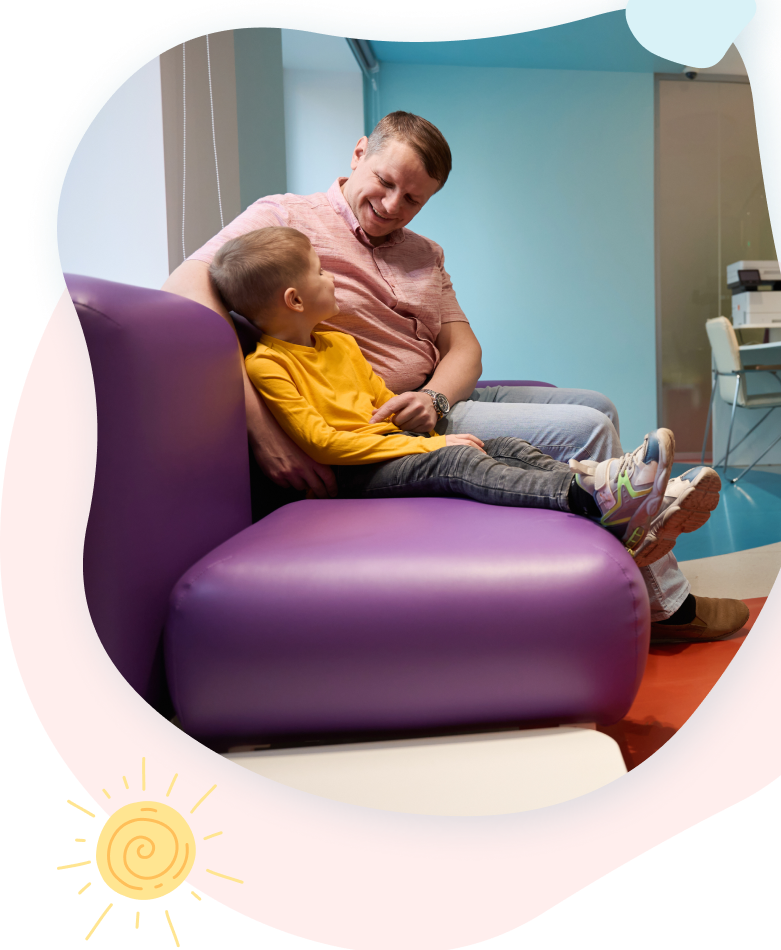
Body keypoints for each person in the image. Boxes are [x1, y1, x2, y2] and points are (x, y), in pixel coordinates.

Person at [163, 111, 748, 643]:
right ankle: (667, 604)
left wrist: (437, 400)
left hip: (434, 396)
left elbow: (465, 348)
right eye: (386, 183)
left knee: (598, 403)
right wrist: (260, 427)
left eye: (414, 199)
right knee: (586, 426)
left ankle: (624, 552)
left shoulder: (425, 252)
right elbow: (186, 290)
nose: (394, 206)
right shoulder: (285, 219)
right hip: (384, 414)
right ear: (359, 152)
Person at [208, 226, 724, 575]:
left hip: (394, 446)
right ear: (294, 300)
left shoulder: (339, 343)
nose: (330, 276)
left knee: (502, 445)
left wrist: (418, 422)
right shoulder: (268, 365)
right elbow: (324, 444)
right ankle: (591, 501)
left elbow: (380, 403)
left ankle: (605, 489)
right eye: (319, 272)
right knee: (460, 458)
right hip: (356, 473)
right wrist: (431, 447)